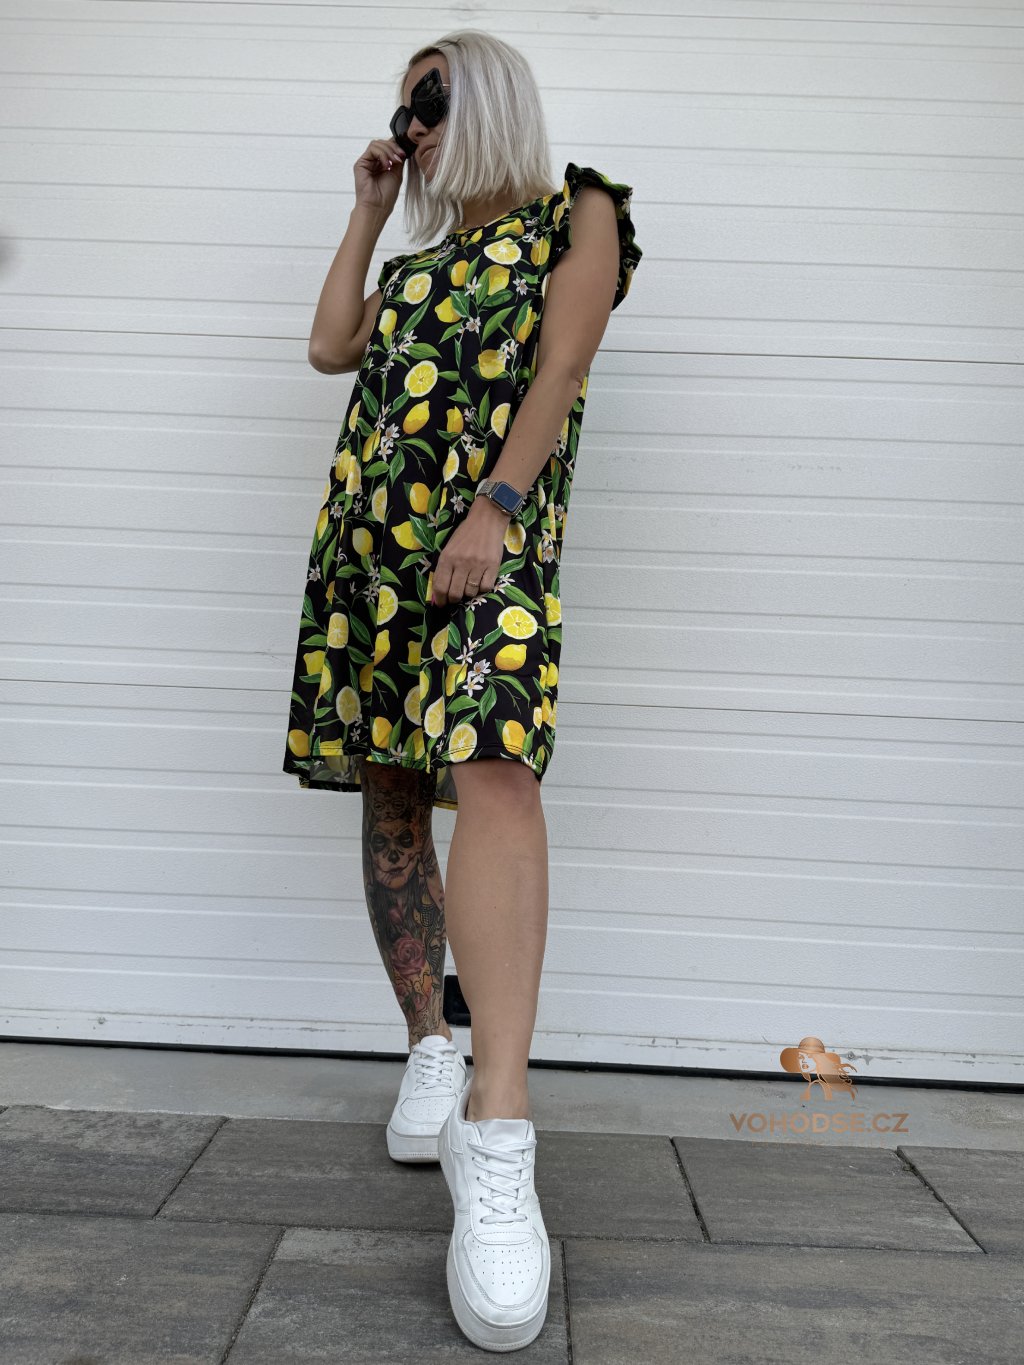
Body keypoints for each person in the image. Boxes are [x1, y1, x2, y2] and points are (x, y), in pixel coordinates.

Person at [283, 29, 641, 1352]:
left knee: (495, 766)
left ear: (487, 97)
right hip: (372, 557)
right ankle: (431, 1042)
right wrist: (371, 208)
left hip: (489, 544)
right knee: (392, 796)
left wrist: (494, 508)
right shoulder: (416, 261)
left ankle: (498, 1125)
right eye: (402, 108)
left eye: (429, 102)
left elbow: (562, 369)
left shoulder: (578, 218)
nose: (413, 126)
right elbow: (330, 346)